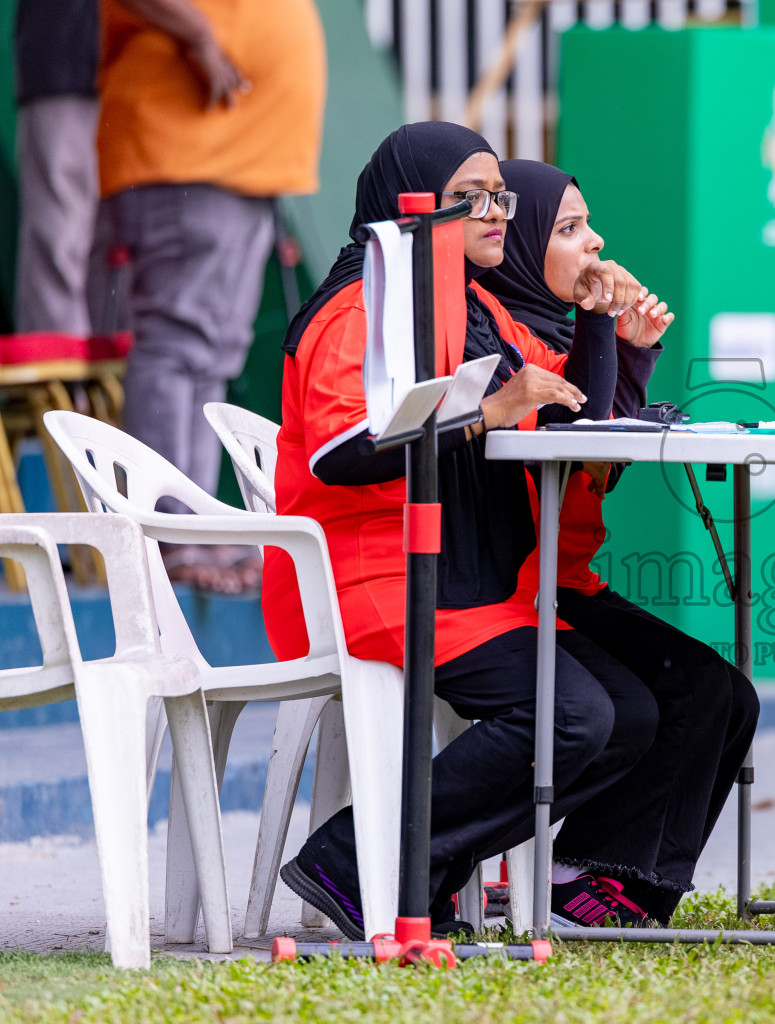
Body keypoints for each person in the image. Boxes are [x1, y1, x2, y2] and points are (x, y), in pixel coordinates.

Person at [271, 121, 679, 938]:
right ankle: (357, 863)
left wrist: (600, 324)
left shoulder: (461, 304)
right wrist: (487, 411)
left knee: (627, 714)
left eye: (499, 196)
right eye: (471, 199)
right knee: (575, 717)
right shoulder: (362, 306)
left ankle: (410, 872)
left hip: (459, 575)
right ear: (410, 206)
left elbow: (570, 414)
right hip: (376, 579)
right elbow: (337, 452)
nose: (495, 212)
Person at [480, 160, 759, 925]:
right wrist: (607, 340)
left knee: (726, 694)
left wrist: (627, 353)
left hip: (565, 581)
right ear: (523, 246)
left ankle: (628, 887)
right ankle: (580, 877)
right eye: (569, 229)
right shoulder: (505, 344)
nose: (597, 242)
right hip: (516, 589)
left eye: (588, 223)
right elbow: (569, 451)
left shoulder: (552, 334)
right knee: (677, 695)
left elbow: (591, 458)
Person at [95, 0, 325, 593]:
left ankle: (195, 523)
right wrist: (198, 34)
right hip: (191, 150)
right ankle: (167, 535)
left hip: (234, 154)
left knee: (212, 353)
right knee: (179, 345)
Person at [12, 0, 99, 337]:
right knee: (58, 243)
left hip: (139, 77)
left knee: (126, 257)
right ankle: (54, 385)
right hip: (65, 60)